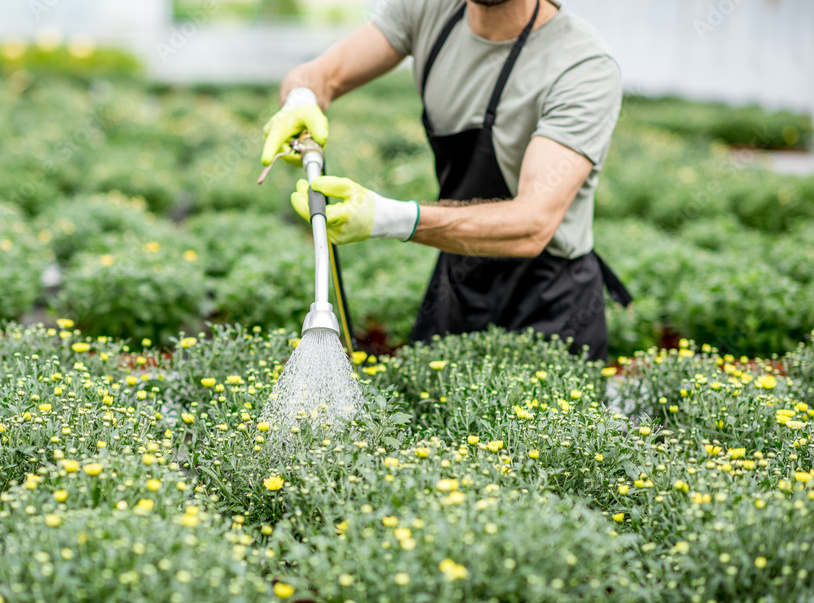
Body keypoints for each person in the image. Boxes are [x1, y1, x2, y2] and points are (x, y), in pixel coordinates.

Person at [261, 0, 631, 361]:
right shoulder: (428, 9)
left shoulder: (582, 64)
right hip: (456, 277)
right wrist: (301, 99)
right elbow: (324, 73)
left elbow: (532, 224)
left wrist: (386, 217)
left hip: (548, 298)